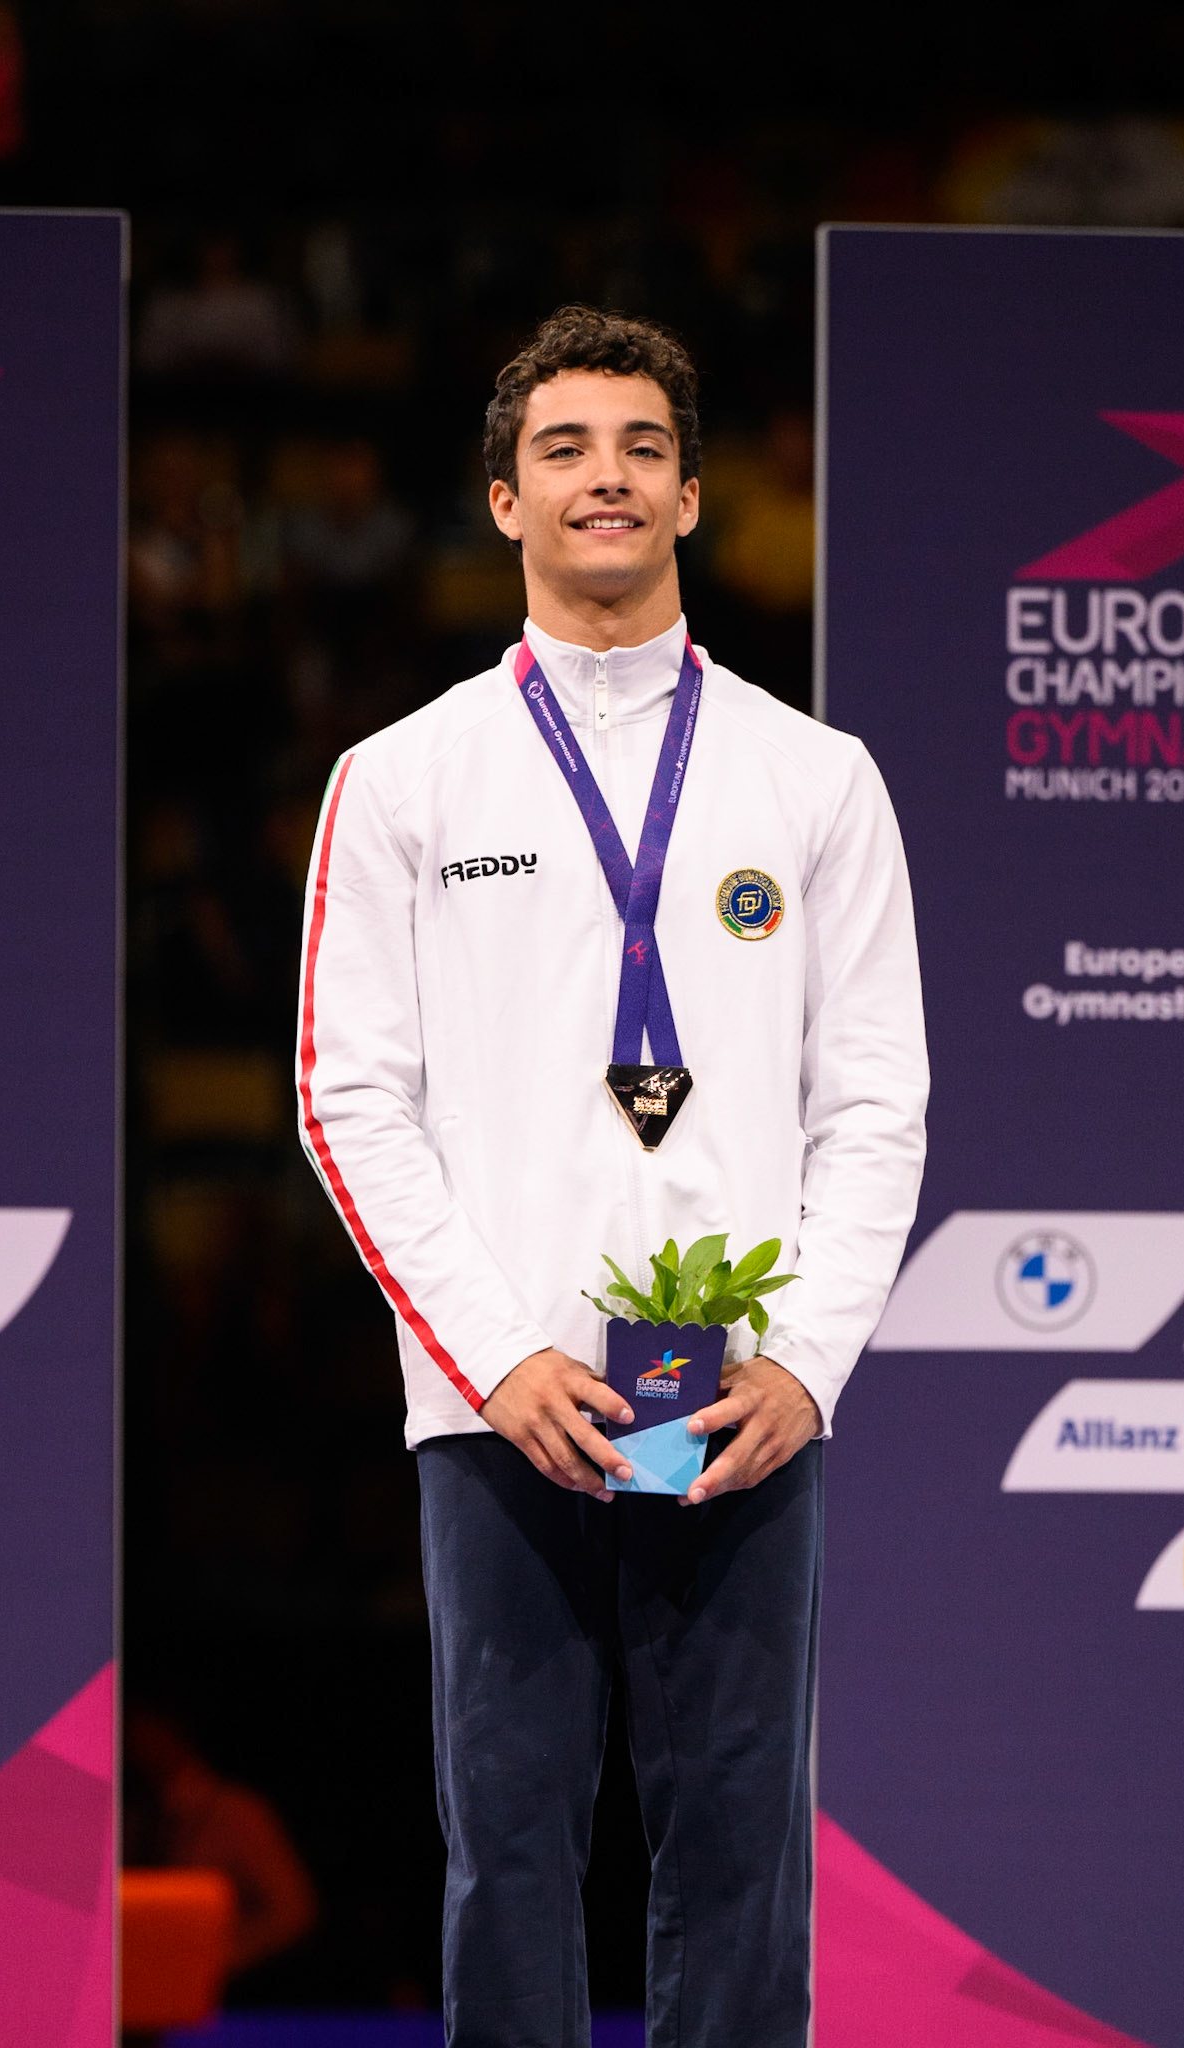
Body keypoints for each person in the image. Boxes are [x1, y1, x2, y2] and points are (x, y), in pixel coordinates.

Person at [296, 305, 927, 2048]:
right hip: (503, 1407)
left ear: (696, 498)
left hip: (737, 1401)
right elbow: (348, 1101)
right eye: (565, 450)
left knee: (739, 1848)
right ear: (503, 501)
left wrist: (802, 1362)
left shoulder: (816, 778)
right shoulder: (401, 778)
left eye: (643, 449)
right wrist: (497, 1358)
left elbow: (876, 1102)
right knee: (507, 1847)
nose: (607, 480)